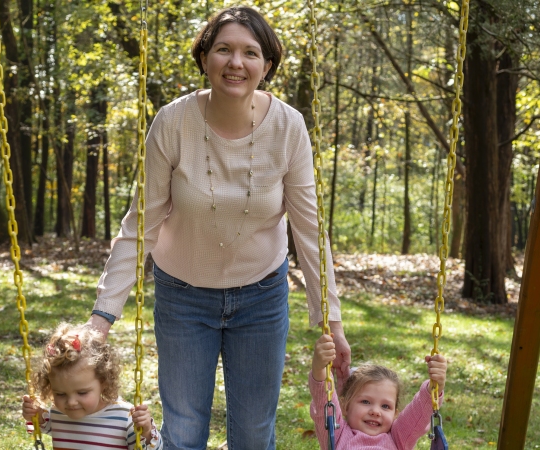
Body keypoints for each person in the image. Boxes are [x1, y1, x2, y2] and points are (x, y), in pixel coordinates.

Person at [87, 5, 351, 449]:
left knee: (252, 434)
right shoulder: (173, 123)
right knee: (185, 431)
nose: (236, 62)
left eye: (250, 53)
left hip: (261, 296)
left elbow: (308, 228)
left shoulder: (288, 127)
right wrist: (101, 317)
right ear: (205, 57)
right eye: (224, 49)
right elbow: (141, 224)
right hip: (184, 296)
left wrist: (332, 321)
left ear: (266, 66)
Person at [21, 323, 162, 449]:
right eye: (60, 394)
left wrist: (147, 432)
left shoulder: (125, 417)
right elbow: (43, 423)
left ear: (103, 382)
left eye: (82, 393)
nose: (71, 402)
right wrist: (35, 415)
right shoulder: (58, 413)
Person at [309, 334, 448, 449]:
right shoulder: (337, 434)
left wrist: (436, 385)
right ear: (345, 406)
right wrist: (319, 368)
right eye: (365, 402)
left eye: (385, 406)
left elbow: (418, 412)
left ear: (395, 414)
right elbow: (323, 401)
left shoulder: (398, 438)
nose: (375, 411)